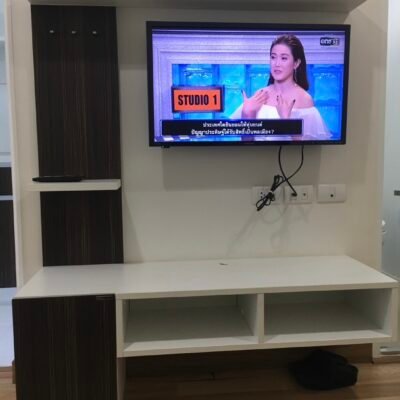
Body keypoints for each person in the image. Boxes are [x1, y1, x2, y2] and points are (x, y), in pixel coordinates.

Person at [231, 34, 330, 140]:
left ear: (296, 63)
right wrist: (247, 114)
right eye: (273, 57)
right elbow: (247, 144)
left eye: (284, 58)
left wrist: (287, 122)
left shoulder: (304, 99)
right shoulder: (260, 95)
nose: (277, 64)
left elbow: (305, 148)